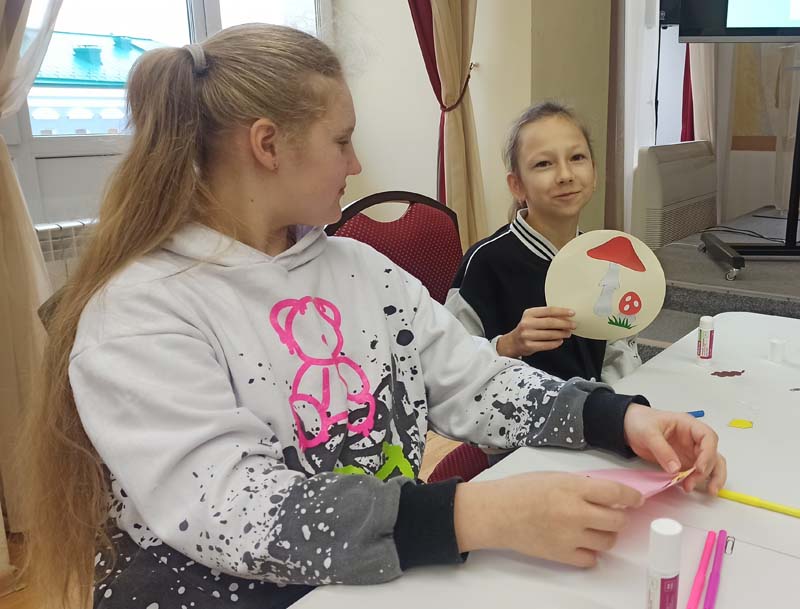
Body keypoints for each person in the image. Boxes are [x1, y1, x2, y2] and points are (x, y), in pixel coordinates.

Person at [20, 25, 726, 609]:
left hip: (374, 575)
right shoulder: (139, 310)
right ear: (267, 145)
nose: (356, 163)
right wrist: (481, 513)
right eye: (342, 141)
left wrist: (615, 418)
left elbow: (477, 380)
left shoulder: (361, 270)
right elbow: (233, 509)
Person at [446, 102, 640, 385]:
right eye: (543, 164)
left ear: (595, 173)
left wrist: (619, 403)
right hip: (515, 409)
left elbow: (617, 351)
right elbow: (446, 363)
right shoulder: (485, 263)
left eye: (577, 157)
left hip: (595, 406)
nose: (565, 175)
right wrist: (508, 345)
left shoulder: (600, 258)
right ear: (517, 185)